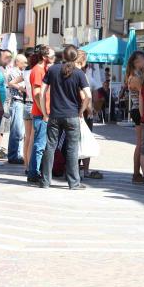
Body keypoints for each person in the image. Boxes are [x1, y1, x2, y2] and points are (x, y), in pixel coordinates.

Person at [38, 45, 91, 190]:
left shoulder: (52, 70)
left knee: (50, 147)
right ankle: (74, 182)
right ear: (75, 57)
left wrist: (44, 112)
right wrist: (81, 110)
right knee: (72, 149)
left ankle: (45, 181)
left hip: (55, 115)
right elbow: (88, 95)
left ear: (63, 56)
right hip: (72, 115)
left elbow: (42, 92)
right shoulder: (79, 73)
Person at [27, 45, 55, 183]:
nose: (54, 59)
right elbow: (37, 95)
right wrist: (44, 112)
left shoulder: (43, 69)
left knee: (41, 144)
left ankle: (35, 171)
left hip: (44, 112)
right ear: (45, 57)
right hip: (41, 113)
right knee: (39, 144)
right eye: (52, 56)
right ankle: (33, 172)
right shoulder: (37, 71)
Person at [75, 50, 102, 180]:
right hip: (84, 113)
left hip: (73, 111)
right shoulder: (85, 77)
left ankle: (73, 168)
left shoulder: (68, 73)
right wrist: (91, 109)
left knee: (74, 141)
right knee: (85, 140)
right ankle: (85, 170)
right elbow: (90, 95)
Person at [126, 50, 144, 184]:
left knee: (142, 143)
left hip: (137, 109)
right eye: (143, 59)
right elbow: (142, 96)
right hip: (138, 110)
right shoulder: (135, 77)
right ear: (136, 62)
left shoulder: (136, 75)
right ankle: (136, 173)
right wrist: (143, 114)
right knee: (140, 143)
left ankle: (140, 172)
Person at [6, 53, 27, 165]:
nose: (25, 64)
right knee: (16, 131)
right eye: (24, 62)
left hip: (21, 102)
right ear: (17, 62)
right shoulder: (14, 72)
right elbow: (19, 87)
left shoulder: (21, 72)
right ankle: (13, 155)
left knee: (20, 131)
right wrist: (26, 89)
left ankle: (17, 154)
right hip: (17, 102)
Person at [21, 48, 36, 172]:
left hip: (26, 103)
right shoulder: (35, 71)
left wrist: (25, 90)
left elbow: (11, 82)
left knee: (27, 137)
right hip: (34, 104)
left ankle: (26, 165)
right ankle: (31, 166)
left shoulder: (25, 71)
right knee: (32, 138)